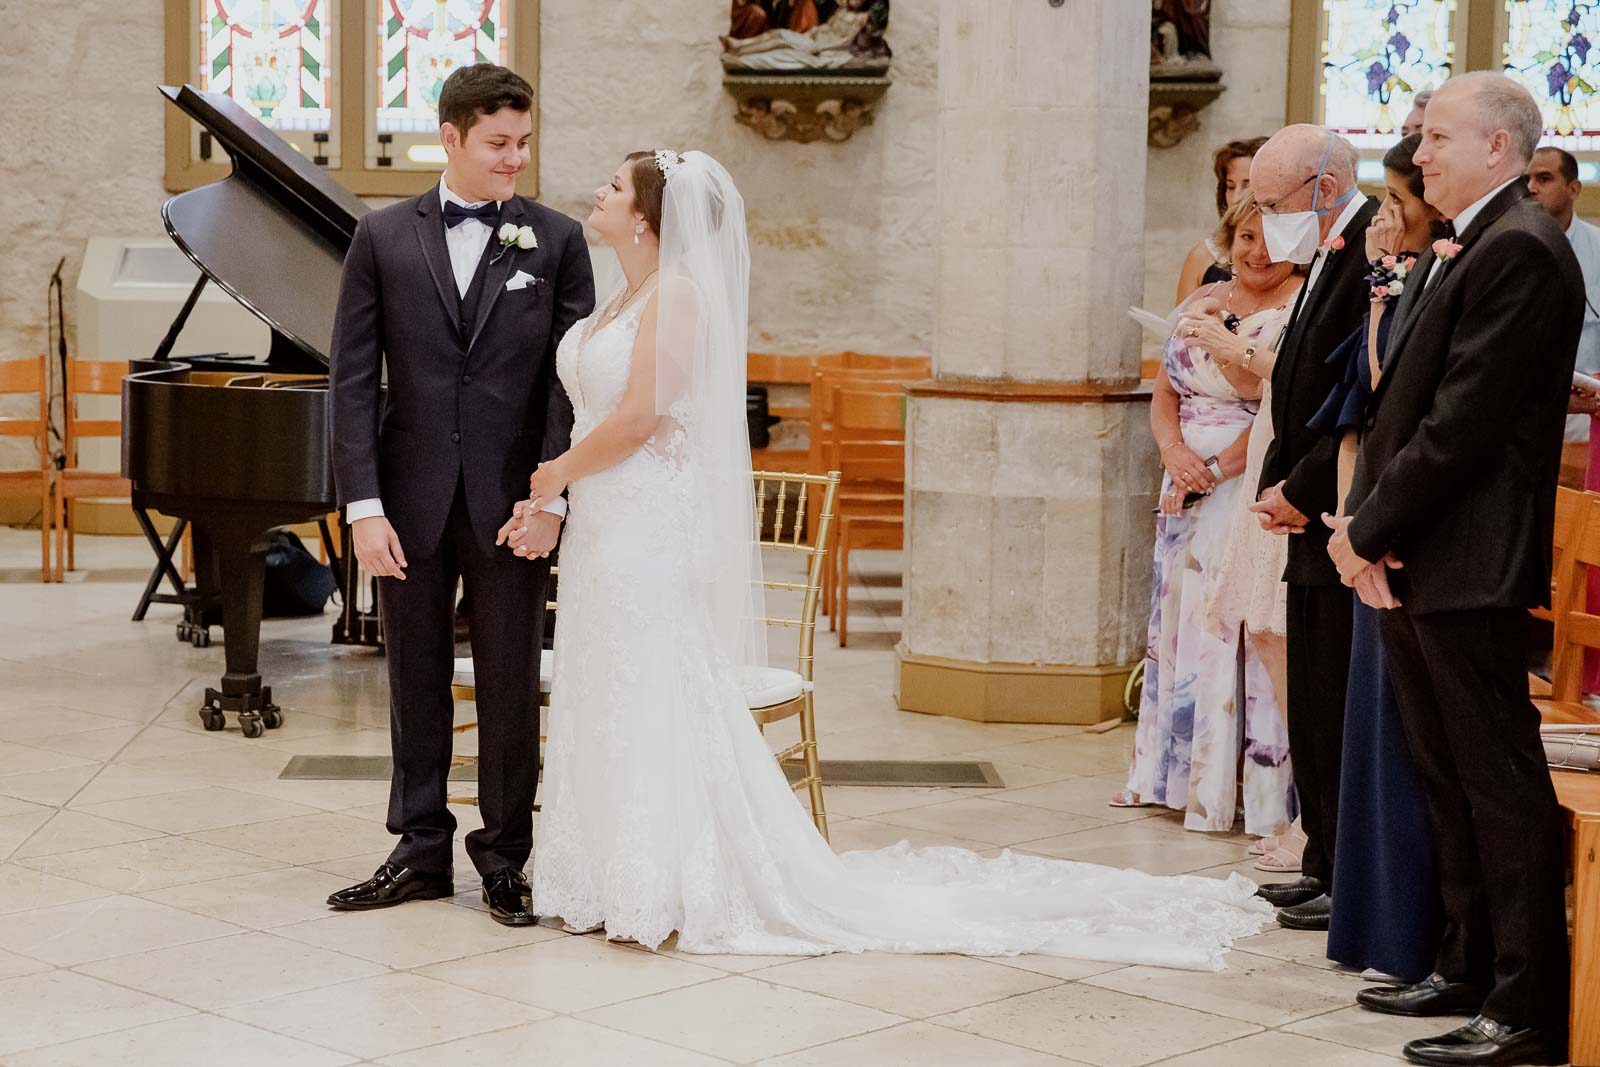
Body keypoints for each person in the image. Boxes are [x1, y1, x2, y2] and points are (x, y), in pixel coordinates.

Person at [496, 148, 1271, 965]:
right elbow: (593, 410)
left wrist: (555, 474)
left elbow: (643, 415)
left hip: (646, 516)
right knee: (604, 675)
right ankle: (601, 873)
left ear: (649, 217)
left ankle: (664, 877)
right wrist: (554, 497)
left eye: (615, 186)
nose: (600, 192)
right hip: (607, 516)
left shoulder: (678, 295)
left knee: (651, 680)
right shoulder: (621, 292)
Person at [1327, 72, 1579, 1067]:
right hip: (1423, 544)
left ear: (1498, 147)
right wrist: (1373, 524)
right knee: (1445, 770)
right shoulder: (1474, 240)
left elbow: (1462, 422)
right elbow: (1405, 407)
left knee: (1496, 780)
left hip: (1467, 549)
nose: (1418, 153)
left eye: (1435, 137)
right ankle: (1470, 961)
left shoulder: (1519, 247)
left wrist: (1366, 525)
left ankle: (1525, 1000)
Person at [325, 64, 596, 926]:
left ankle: (507, 856)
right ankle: (419, 850)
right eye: (498, 143)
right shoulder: (381, 237)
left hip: (514, 503)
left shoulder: (554, 242)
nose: (516, 158)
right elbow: (353, 378)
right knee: (412, 677)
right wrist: (363, 506)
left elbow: (569, 385)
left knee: (512, 680)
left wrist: (552, 495)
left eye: (524, 142)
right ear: (451, 138)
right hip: (407, 502)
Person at [1116, 192, 1299, 845]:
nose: (1254, 252)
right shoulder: (1203, 295)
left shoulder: (1297, 306)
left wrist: (1214, 470)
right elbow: (1165, 388)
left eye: (1268, 238)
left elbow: (1266, 399)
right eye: (1243, 238)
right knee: (1181, 629)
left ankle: (1242, 791)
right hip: (1184, 482)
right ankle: (1171, 777)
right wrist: (1173, 453)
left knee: (1233, 630)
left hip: (1245, 481)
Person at [1303, 133, 1445, 964]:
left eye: (1397, 202)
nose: (1385, 218)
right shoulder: (1407, 276)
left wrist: (1365, 524)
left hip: (1402, 532)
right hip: (1367, 523)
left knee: (1400, 738)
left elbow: (1395, 390)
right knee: (1370, 731)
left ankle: (1404, 931)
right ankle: (1365, 916)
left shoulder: (1439, 271)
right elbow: (1365, 388)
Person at [1245, 126, 1379, 925]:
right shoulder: (1329, 246)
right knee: (1314, 695)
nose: (1265, 221)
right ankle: (1321, 856)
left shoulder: (1370, 245)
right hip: (1303, 500)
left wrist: (1302, 483)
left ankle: (1340, 870)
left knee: (1331, 690)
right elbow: (1301, 374)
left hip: (1334, 501)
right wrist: (1278, 479)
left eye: (1273, 202)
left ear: (1325, 185)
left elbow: (1360, 393)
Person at [1526, 146, 1600, 441]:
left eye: (1544, 179)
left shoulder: (1598, 248)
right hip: (1522, 410)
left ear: (1574, 188)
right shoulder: (1506, 245)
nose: (1531, 188)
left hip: (1586, 414)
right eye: (1527, 180)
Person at [1176, 137, 1269, 303]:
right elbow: (1178, 323)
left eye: (1247, 185)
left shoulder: (1285, 256)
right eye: (1230, 186)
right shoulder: (1202, 256)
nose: (1236, 197)